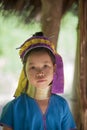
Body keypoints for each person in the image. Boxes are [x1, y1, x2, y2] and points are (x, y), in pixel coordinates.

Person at [0, 32, 77, 130]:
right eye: (33, 67)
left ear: (54, 69)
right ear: (25, 72)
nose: (40, 72)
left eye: (45, 66)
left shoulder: (62, 105)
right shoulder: (12, 108)